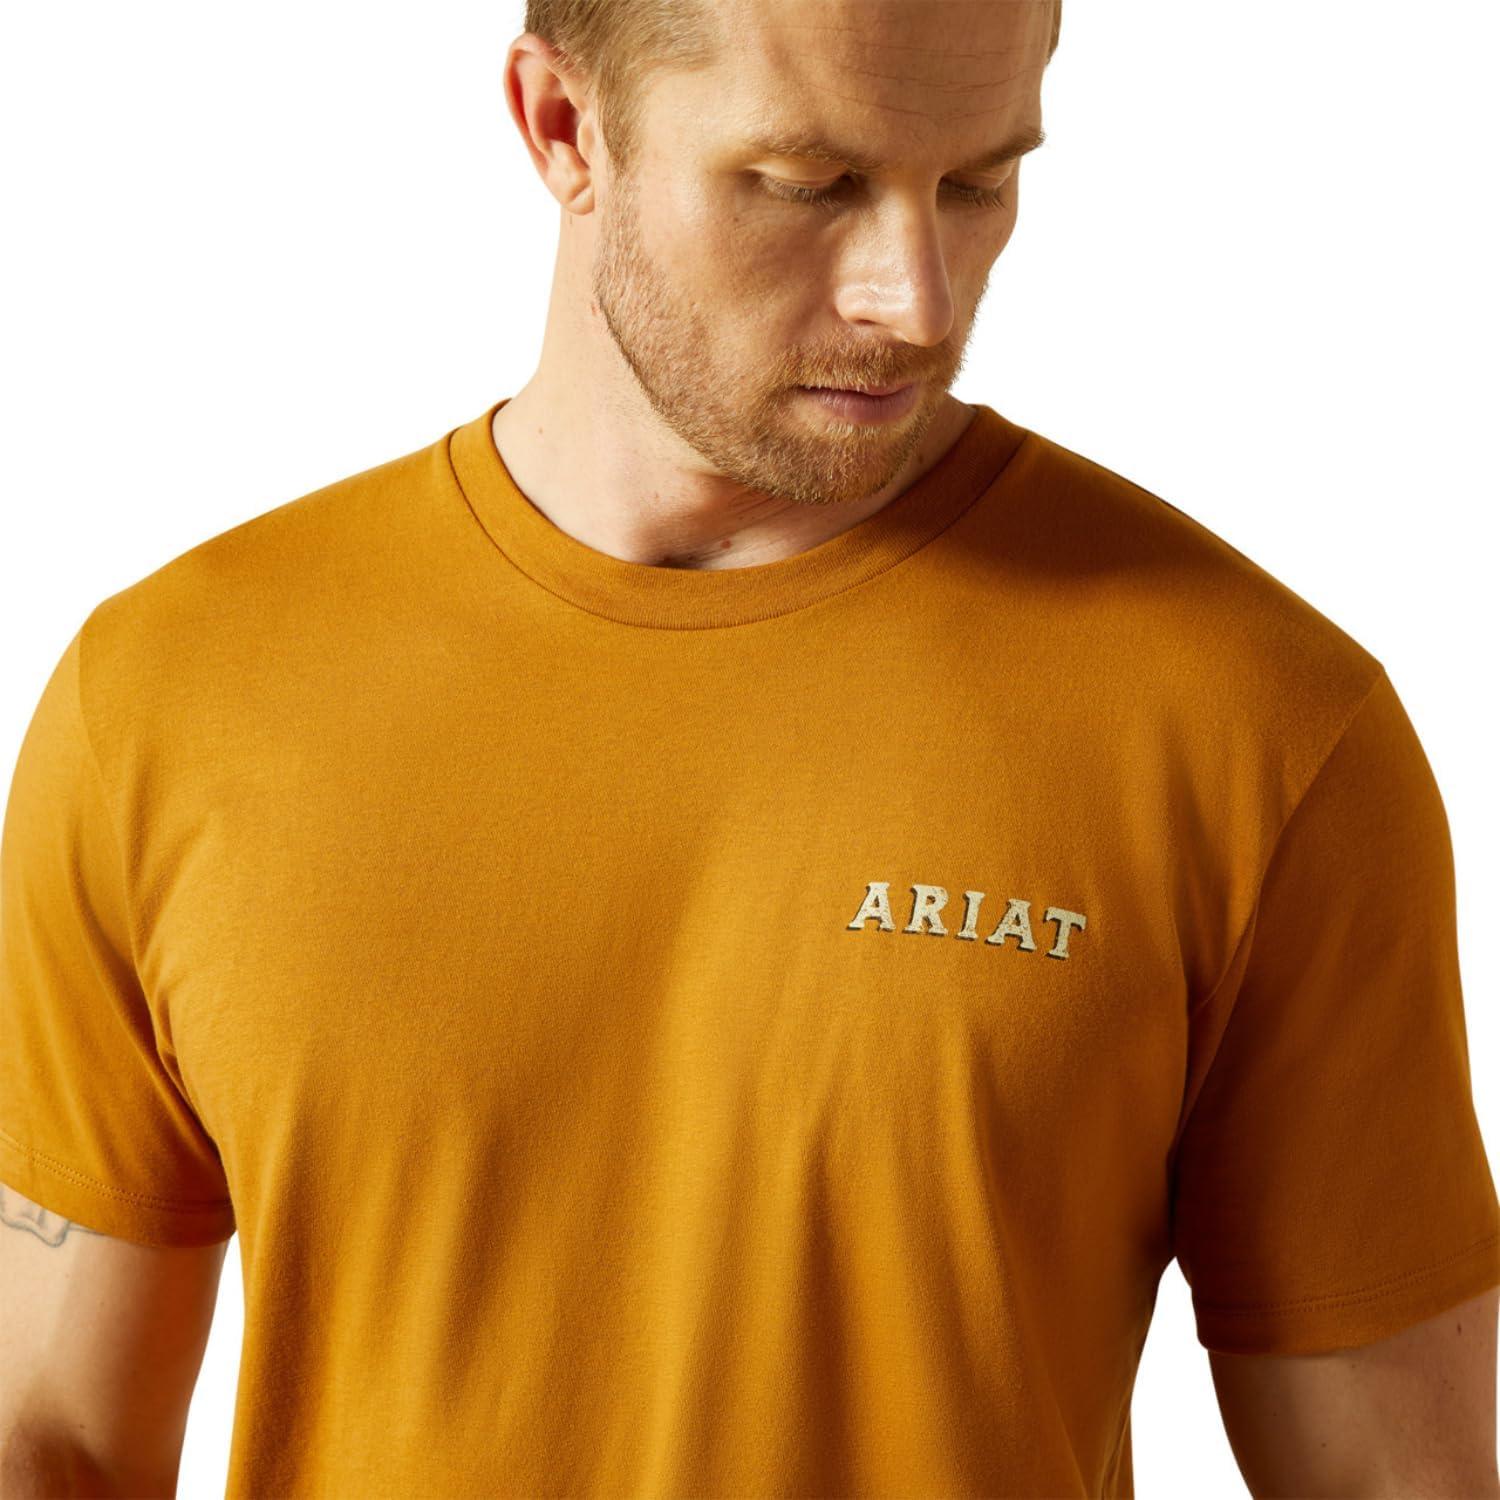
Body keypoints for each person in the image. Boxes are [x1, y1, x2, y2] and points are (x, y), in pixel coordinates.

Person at [2, 0, 1497, 1494]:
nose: (915, 300)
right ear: (564, 128)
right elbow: (49, 1435)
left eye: (977, 182)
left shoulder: (1261, 728)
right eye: (808, 184)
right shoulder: (171, 702)